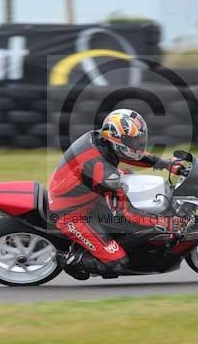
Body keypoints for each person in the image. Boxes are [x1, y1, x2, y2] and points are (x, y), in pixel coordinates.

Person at [47, 109, 186, 275]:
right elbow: (126, 213)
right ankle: (70, 259)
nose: (138, 144)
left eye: (139, 139)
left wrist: (165, 164)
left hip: (85, 193)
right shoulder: (103, 172)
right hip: (72, 214)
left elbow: (134, 155)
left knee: (129, 177)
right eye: (134, 141)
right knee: (117, 263)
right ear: (117, 139)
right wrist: (164, 222)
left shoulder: (103, 140)